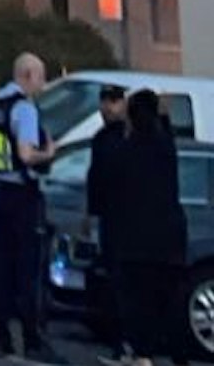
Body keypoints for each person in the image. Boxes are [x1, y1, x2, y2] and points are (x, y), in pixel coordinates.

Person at [0, 51, 64, 362]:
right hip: (23, 194)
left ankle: (0, 337)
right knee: (30, 268)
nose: (43, 83)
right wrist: (50, 153)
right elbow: (27, 154)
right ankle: (34, 339)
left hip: (0, 188)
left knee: (2, 266)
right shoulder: (24, 109)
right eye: (41, 76)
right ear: (27, 76)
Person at [113, 88, 189, 366]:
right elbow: (166, 134)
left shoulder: (125, 151)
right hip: (168, 237)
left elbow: (116, 191)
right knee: (170, 299)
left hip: (135, 240)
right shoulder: (165, 148)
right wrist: (165, 116)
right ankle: (179, 355)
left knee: (138, 301)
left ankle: (142, 353)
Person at [87, 84, 132, 364]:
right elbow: (95, 180)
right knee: (115, 282)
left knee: (123, 284)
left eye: (113, 101)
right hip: (112, 220)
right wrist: (92, 214)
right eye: (105, 102)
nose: (107, 108)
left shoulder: (126, 137)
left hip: (125, 221)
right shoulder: (103, 138)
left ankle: (126, 344)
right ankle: (120, 342)